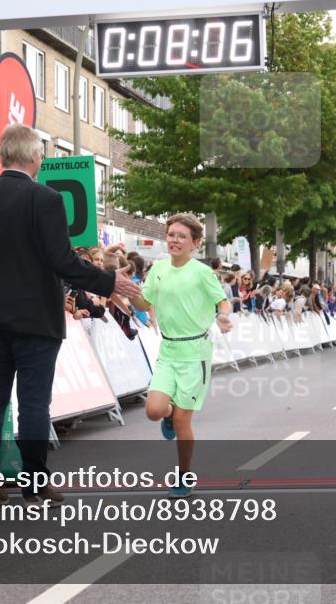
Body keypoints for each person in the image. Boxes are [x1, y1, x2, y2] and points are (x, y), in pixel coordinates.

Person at [0, 124, 140, 507]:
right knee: (33, 403)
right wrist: (109, 281)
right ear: (35, 157)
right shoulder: (46, 199)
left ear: (1, 156)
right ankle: (34, 484)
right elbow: (62, 261)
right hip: (36, 320)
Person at [129, 213, 232, 498]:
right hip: (168, 351)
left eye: (181, 236)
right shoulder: (159, 269)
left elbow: (223, 302)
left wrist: (223, 316)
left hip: (195, 354)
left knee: (182, 422)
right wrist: (128, 290)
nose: (174, 240)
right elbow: (143, 302)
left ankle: (184, 476)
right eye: (171, 234)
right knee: (153, 411)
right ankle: (169, 414)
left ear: (195, 243)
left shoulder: (202, 273)